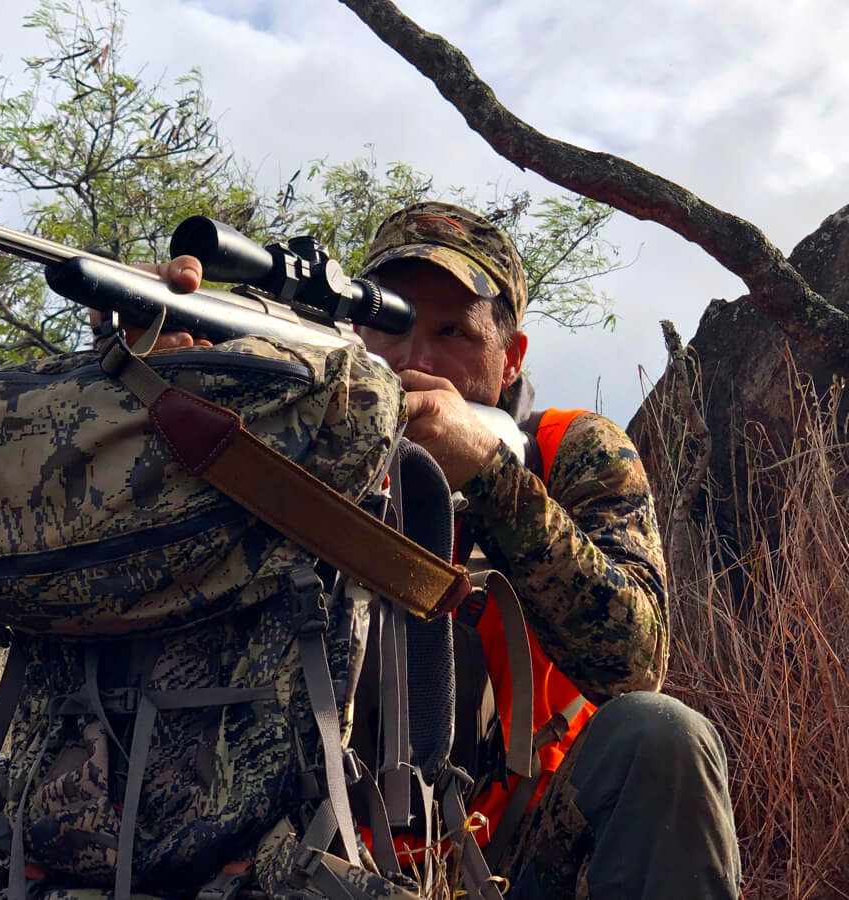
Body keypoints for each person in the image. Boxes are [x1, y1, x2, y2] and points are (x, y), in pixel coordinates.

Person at [137, 202, 742, 899]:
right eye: (389, 326)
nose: (414, 359)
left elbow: (637, 665)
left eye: (453, 331)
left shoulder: (567, 451)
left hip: (517, 858)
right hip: (302, 854)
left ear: (510, 359)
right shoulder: (281, 441)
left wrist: (492, 479)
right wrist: (150, 401)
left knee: (662, 734)